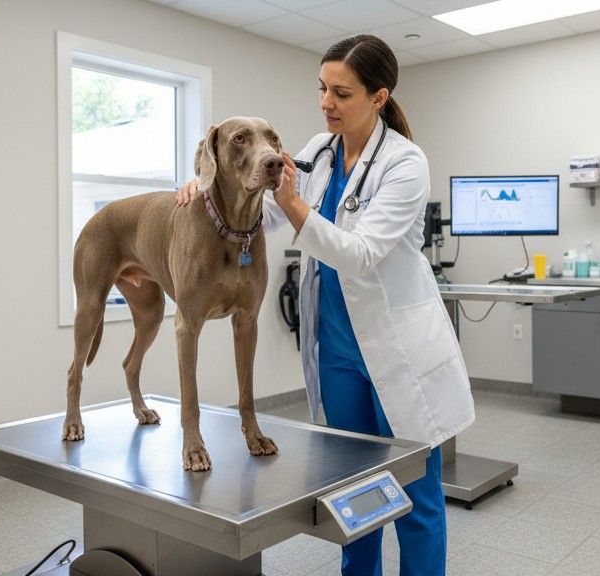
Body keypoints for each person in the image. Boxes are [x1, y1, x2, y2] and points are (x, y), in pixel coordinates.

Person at [178, 34, 474, 576]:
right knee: (355, 494)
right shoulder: (318, 151)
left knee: (418, 497)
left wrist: (291, 204)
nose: (326, 102)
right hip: (337, 351)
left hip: (397, 352)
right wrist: (207, 187)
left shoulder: (405, 164)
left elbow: (358, 255)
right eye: (322, 89)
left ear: (378, 98)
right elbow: (260, 215)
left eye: (341, 92)